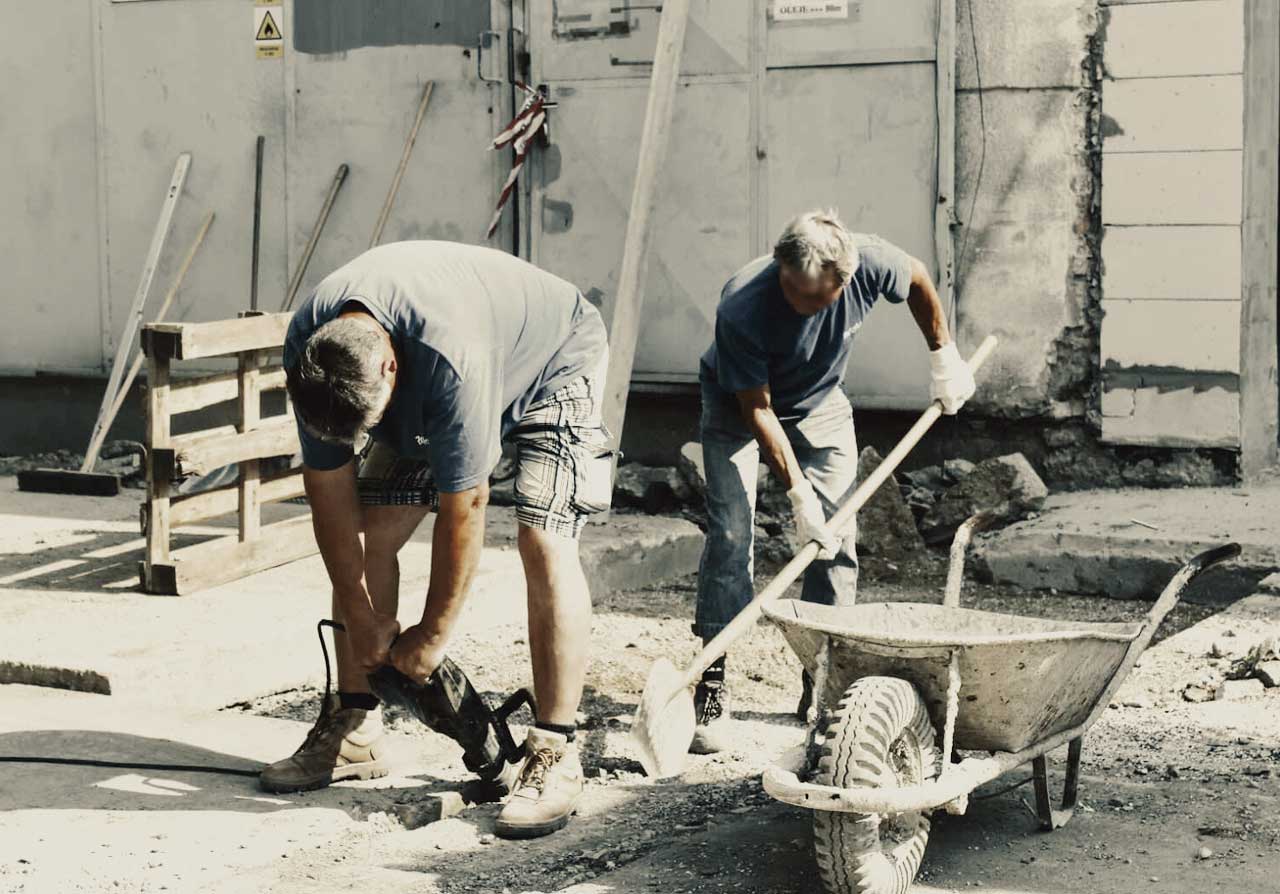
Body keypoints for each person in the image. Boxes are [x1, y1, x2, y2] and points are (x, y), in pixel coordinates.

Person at [261, 240, 611, 839]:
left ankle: (555, 750)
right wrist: (361, 613)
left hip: (556, 358)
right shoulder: (313, 354)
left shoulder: (452, 358)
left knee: (543, 539)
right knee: (372, 535)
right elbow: (330, 497)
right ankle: (355, 725)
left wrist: (431, 636)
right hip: (432, 369)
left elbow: (466, 506)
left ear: (390, 370)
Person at [690, 210, 975, 752]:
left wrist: (944, 357)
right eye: (793, 290)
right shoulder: (742, 305)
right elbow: (758, 411)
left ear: (844, 280)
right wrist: (799, 496)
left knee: (837, 538)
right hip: (739, 408)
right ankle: (711, 676)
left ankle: (823, 681)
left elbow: (916, 277)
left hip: (821, 404)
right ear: (781, 268)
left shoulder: (868, 263)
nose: (802, 305)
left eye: (816, 297)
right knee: (731, 536)